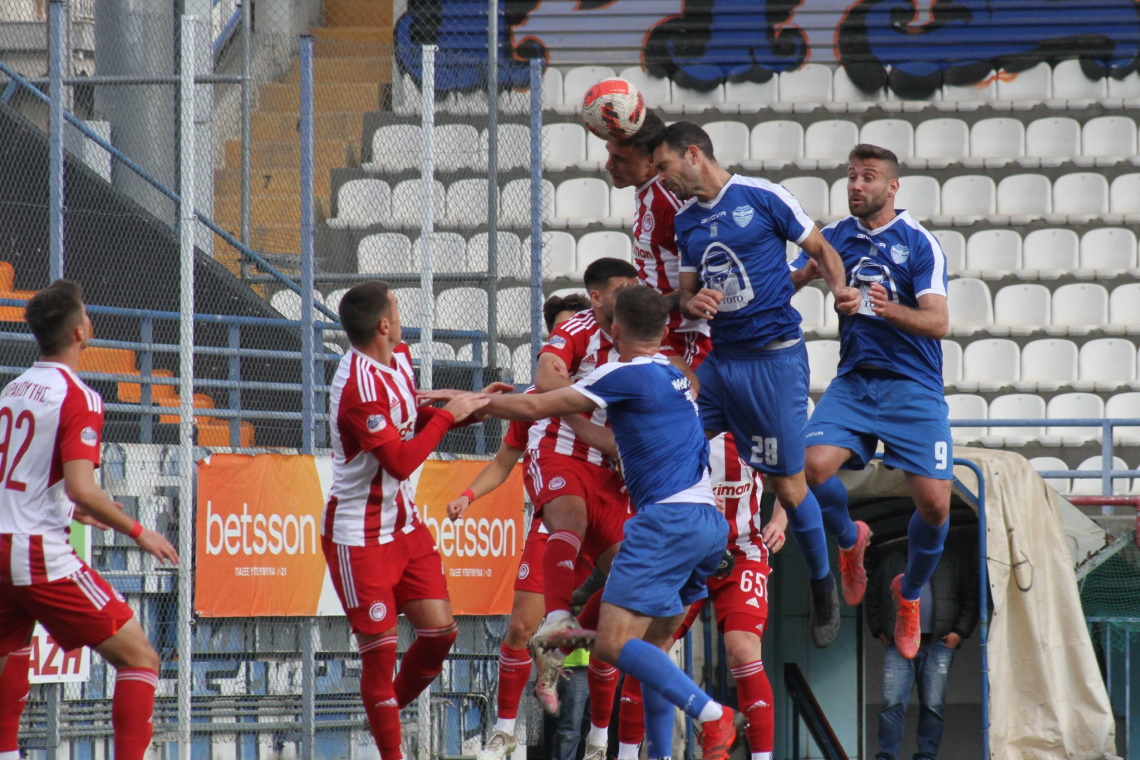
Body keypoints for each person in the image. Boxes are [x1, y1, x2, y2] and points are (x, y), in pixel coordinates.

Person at [425, 286, 748, 760]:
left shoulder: (622, 373)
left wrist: (471, 402)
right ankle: (686, 745)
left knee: (615, 644)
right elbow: (603, 435)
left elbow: (535, 406)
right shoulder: (673, 373)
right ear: (661, 329)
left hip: (665, 524)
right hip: (707, 525)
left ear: (615, 329)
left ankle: (713, 716)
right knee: (653, 650)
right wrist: (573, 418)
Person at [651, 120, 861, 649]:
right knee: (669, 444)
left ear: (692, 154)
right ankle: (701, 554)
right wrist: (689, 303)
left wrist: (840, 292)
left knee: (788, 487)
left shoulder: (761, 196)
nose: (660, 179)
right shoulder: (686, 222)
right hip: (722, 363)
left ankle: (821, 584)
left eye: (664, 167)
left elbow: (822, 251)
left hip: (773, 363)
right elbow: (685, 293)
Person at [0, 280, 180, 760]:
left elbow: (20, 477)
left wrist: (71, 508)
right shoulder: (79, 396)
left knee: (10, 652)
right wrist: (140, 531)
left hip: (2, 541)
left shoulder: (12, 389)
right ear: (81, 331)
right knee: (140, 656)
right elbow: (82, 484)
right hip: (37, 550)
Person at [321, 280, 489, 760]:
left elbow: (410, 411)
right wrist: (447, 417)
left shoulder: (398, 358)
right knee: (379, 656)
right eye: (396, 308)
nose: (401, 315)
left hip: (405, 525)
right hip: (360, 536)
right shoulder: (356, 388)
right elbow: (399, 460)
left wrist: (474, 409)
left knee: (442, 633)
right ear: (383, 325)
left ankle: (385, 708)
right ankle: (391, 749)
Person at [800, 144, 952, 660]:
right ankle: (850, 539)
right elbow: (793, 277)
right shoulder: (835, 238)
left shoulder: (919, 243)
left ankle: (908, 594)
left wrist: (885, 309)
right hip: (856, 381)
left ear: (892, 187)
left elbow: (939, 323)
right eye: (850, 176)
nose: (856, 185)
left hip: (913, 388)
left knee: (934, 506)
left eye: (868, 177)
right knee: (810, 469)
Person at [449, 294, 605, 760]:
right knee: (520, 624)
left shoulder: (611, 392)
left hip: (606, 525)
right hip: (552, 525)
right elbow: (503, 462)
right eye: (557, 340)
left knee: (617, 633)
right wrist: (467, 495)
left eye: (573, 340)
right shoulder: (530, 405)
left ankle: (602, 742)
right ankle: (504, 731)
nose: (564, 352)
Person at [524, 258, 642, 717]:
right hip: (564, 451)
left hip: (614, 472)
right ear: (597, 297)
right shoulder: (576, 328)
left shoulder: (641, 328)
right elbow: (547, 379)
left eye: (636, 286)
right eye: (621, 288)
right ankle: (555, 618)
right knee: (568, 521)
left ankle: (556, 643)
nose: (631, 294)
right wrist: (593, 431)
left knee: (632, 572)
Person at [604, 109, 711, 370]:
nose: (608, 165)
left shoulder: (670, 201)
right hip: (659, 328)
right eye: (609, 154)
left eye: (619, 159)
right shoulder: (647, 193)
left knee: (690, 406)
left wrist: (649, 306)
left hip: (684, 335)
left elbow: (710, 270)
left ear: (650, 161)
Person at [865, 537, 979, 760]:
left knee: (933, 705)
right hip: (898, 643)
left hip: (938, 643)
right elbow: (873, 595)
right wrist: (879, 629)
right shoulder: (892, 561)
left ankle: (926, 756)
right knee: (892, 703)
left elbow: (972, 597)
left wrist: (959, 633)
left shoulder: (952, 559)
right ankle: (887, 756)